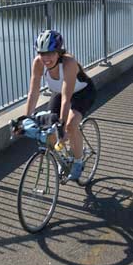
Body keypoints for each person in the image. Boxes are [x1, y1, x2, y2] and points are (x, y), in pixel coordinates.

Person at [23, 30, 97, 181]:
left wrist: (62, 125)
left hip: (82, 93)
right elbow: (33, 93)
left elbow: (66, 98)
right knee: (49, 131)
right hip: (59, 93)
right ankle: (63, 159)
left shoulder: (69, 63)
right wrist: (26, 119)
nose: (46, 58)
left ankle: (78, 162)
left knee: (70, 125)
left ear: (58, 52)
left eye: (50, 53)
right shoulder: (38, 63)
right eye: (42, 53)